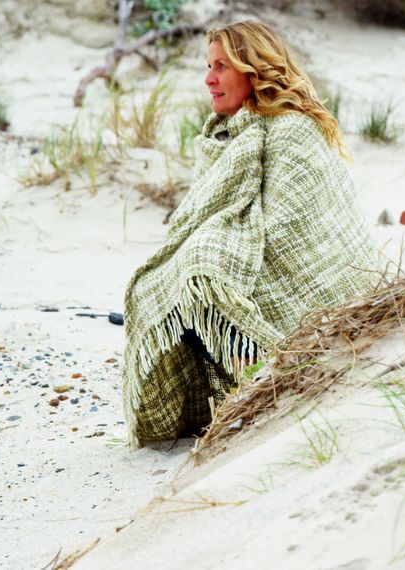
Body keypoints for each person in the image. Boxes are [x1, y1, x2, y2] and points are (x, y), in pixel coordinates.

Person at [121, 20, 377, 446]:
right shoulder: (223, 136)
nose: (209, 79)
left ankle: (269, 395)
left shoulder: (293, 129)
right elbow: (211, 216)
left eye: (221, 66)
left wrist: (219, 251)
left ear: (253, 70)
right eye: (208, 65)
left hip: (310, 281)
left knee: (206, 266)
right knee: (183, 272)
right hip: (251, 263)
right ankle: (239, 397)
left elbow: (293, 228)